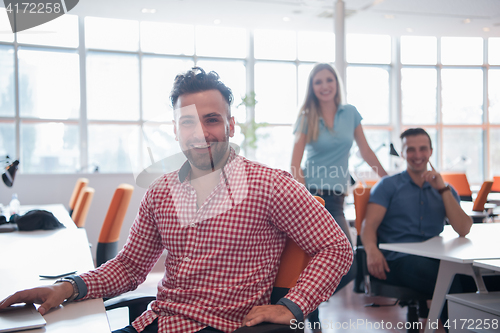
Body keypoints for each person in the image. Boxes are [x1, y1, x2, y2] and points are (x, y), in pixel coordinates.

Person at [0, 68, 353, 333]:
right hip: (156, 322)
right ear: (175, 129)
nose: (200, 133)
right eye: (187, 122)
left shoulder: (270, 185)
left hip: (219, 327)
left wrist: (293, 306)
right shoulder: (161, 192)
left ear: (231, 123)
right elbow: (130, 267)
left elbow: (336, 248)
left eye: (211, 120)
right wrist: (65, 287)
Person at [290, 63, 387, 329]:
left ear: (336, 83)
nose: (324, 86)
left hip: (336, 200)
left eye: (329, 80)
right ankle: (307, 309)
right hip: (312, 199)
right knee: (312, 261)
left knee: (350, 265)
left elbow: (365, 151)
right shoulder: (307, 116)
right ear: (312, 87)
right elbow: (295, 162)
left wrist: (388, 179)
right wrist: (302, 200)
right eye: (318, 81)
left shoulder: (350, 114)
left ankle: (303, 304)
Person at [360, 127, 473, 326]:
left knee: (477, 279)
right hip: (397, 260)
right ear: (402, 153)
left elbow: (463, 228)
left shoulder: (444, 188)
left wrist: (443, 189)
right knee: (450, 281)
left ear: (431, 151)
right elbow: (369, 225)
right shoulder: (388, 185)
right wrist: (371, 251)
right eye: (411, 149)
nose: (417, 155)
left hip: (436, 258)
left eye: (423, 149)